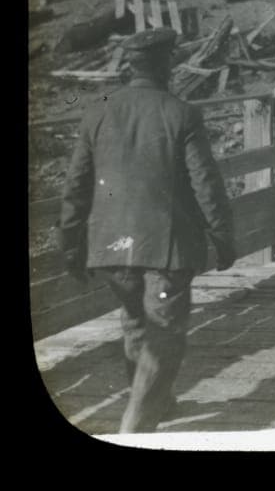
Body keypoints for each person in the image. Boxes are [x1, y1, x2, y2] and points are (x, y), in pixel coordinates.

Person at [58, 28, 235, 434]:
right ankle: (135, 430)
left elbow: (76, 184)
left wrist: (70, 245)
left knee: (137, 321)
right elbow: (206, 184)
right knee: (164, 333)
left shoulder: (98, 110)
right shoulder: (181, 112)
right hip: (164, 249)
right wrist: (223, 236)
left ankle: (162, 403)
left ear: (130, 66)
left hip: (112, 247)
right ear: (166, 65)